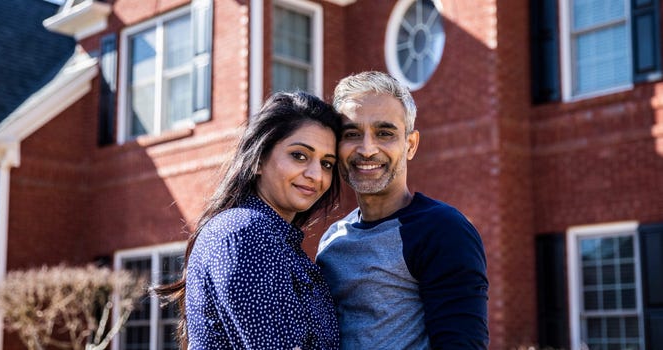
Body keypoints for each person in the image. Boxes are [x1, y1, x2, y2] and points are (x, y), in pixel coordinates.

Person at [316, 71, 489, 349]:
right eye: (352, 133)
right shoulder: (331, 240)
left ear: (410, 145)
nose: (367, 149)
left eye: (384, 133)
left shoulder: (442, 230)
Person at [156, 91, 342, 349]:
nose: (315, 174)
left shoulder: (277, 239)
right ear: (258, 160)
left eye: (327, 164)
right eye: (299, 155)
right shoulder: (245, 232)